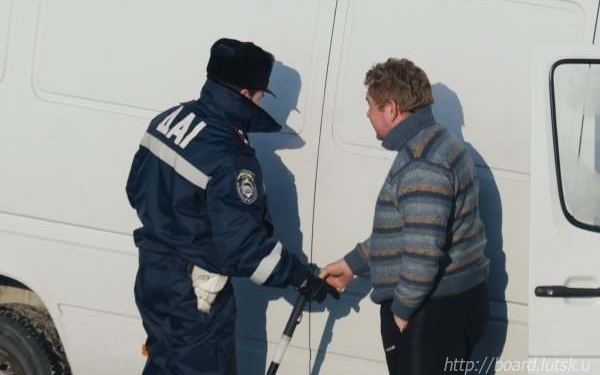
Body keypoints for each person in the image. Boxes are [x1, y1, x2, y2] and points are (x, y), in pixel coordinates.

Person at [126, 38, 338, 375]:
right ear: (245, 93)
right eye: (261, 94)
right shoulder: (231, 154)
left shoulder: (170, 119)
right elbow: (245, 249)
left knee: (163, 364)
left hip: (153, 275)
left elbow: (135, 189)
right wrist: (302, 279)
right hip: (196, 295)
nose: (262, 101)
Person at [320, 58, 489, 374]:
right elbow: (408, 231)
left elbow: (423, 252)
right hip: (450, 304)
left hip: (433, 312)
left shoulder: (423, 161)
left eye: (370, 104)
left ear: (391, 109)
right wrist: (353, 264)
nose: (367, 114)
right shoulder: (435, 140)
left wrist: (401, 313)